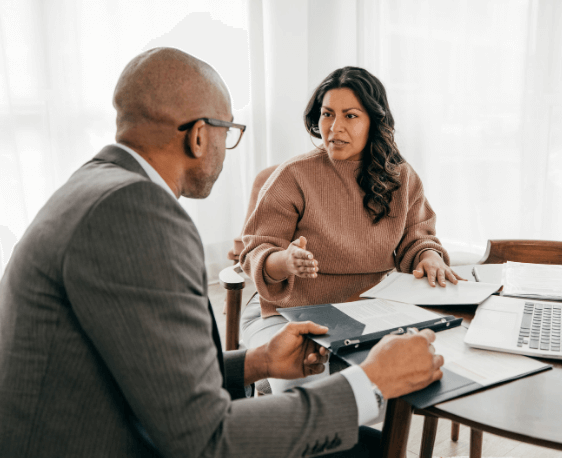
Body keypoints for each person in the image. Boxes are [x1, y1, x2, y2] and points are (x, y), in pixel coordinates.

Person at [0, 48, 444, 457]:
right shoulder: (136, 212)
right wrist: (369, 383)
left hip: (95, 419)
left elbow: (156, 369)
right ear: (198, 136)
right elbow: (207, 438)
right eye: (228, 131)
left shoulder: (98, 186)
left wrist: (258, 362)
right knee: (365, 449)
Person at [240, 66, 461, 392]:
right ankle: (272, 389)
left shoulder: (402, 178)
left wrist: (428, 257)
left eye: (351, 116)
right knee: (311, 397)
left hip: (369, 314)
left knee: (409, 381)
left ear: (374, 121)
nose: (335, 127)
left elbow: (418, 235)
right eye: (328, 114)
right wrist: (285, 261)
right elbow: (256, 252)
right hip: (290, 313)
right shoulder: (294, 176)